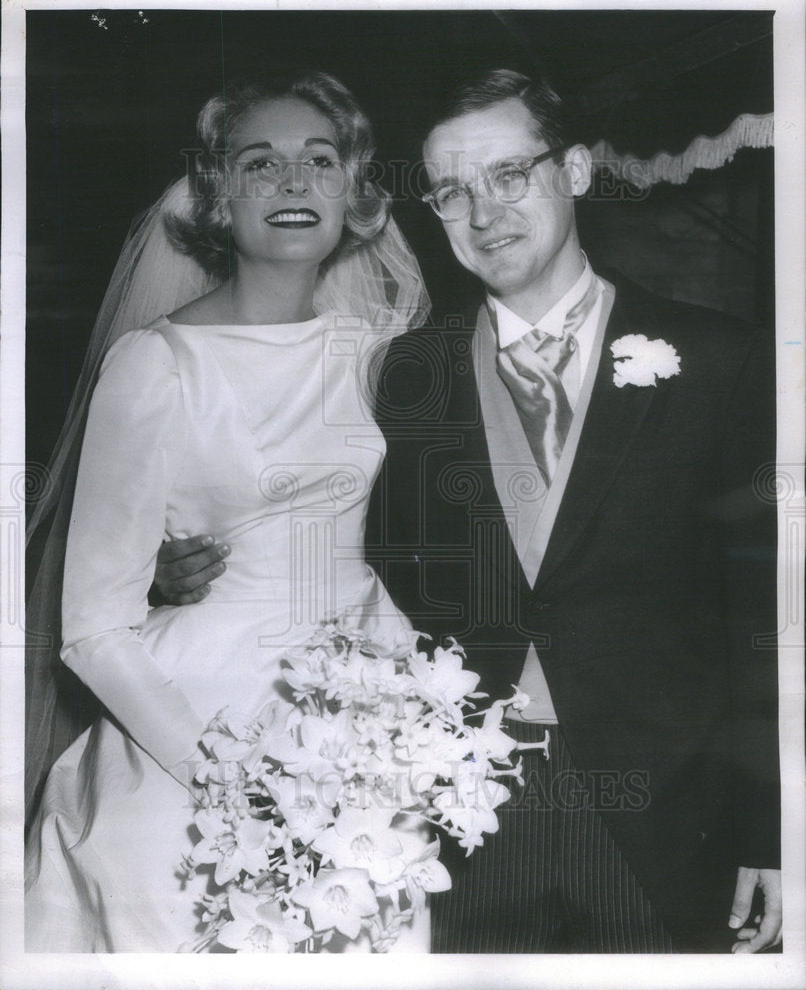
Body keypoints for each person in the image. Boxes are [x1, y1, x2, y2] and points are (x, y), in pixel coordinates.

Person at [155, 69, 781, 954]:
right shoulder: (402, 377)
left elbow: (769, 612)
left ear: (573, 172)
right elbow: (332, 554)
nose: (484, 214)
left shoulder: (724, 359)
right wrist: (172, 568)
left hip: (671, 815)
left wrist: (771, 827)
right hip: (464, 819)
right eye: (453, 192)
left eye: (509, 176)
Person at [24, 70, 430, 952]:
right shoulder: (154, 362)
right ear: (217, 198)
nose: (292, 182)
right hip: (192, 727)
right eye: (260, 163)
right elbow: (92, 628)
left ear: (353, 192)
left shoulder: (383, 352)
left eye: (320, 160)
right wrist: (233, 782)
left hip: (364, 712)